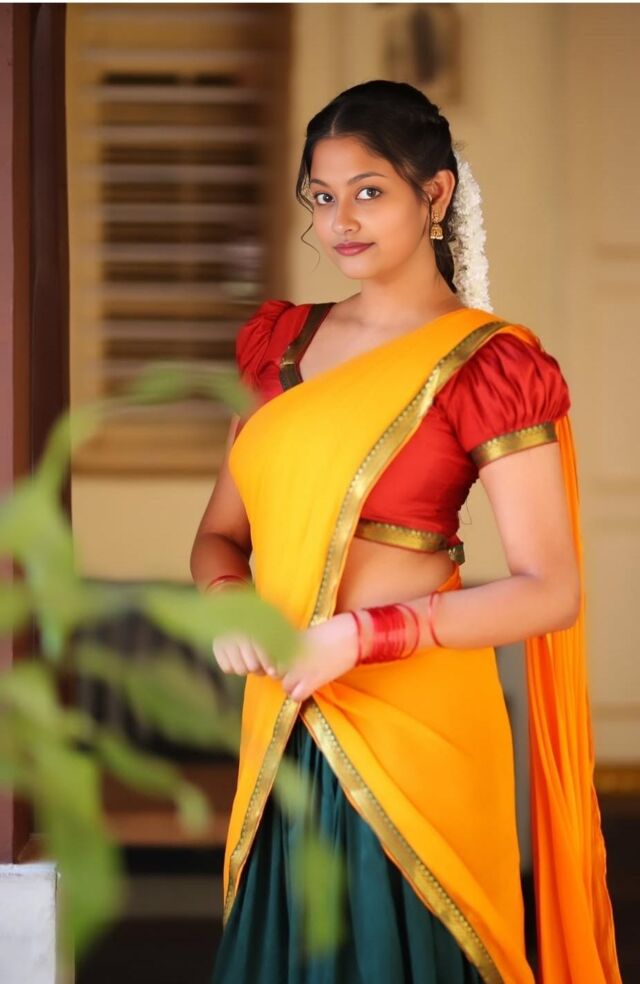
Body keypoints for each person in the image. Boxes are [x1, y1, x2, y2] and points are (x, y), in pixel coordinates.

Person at [190, 80, 622, 983]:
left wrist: (359, 636)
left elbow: (551, 590)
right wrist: (227, 600)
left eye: (369, 191)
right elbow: (220, 536)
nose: (340, 220)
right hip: (288, 719)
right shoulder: (280, 347)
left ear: (435, 193)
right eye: (322, 196)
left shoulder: (489, 365)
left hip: (417, 728)